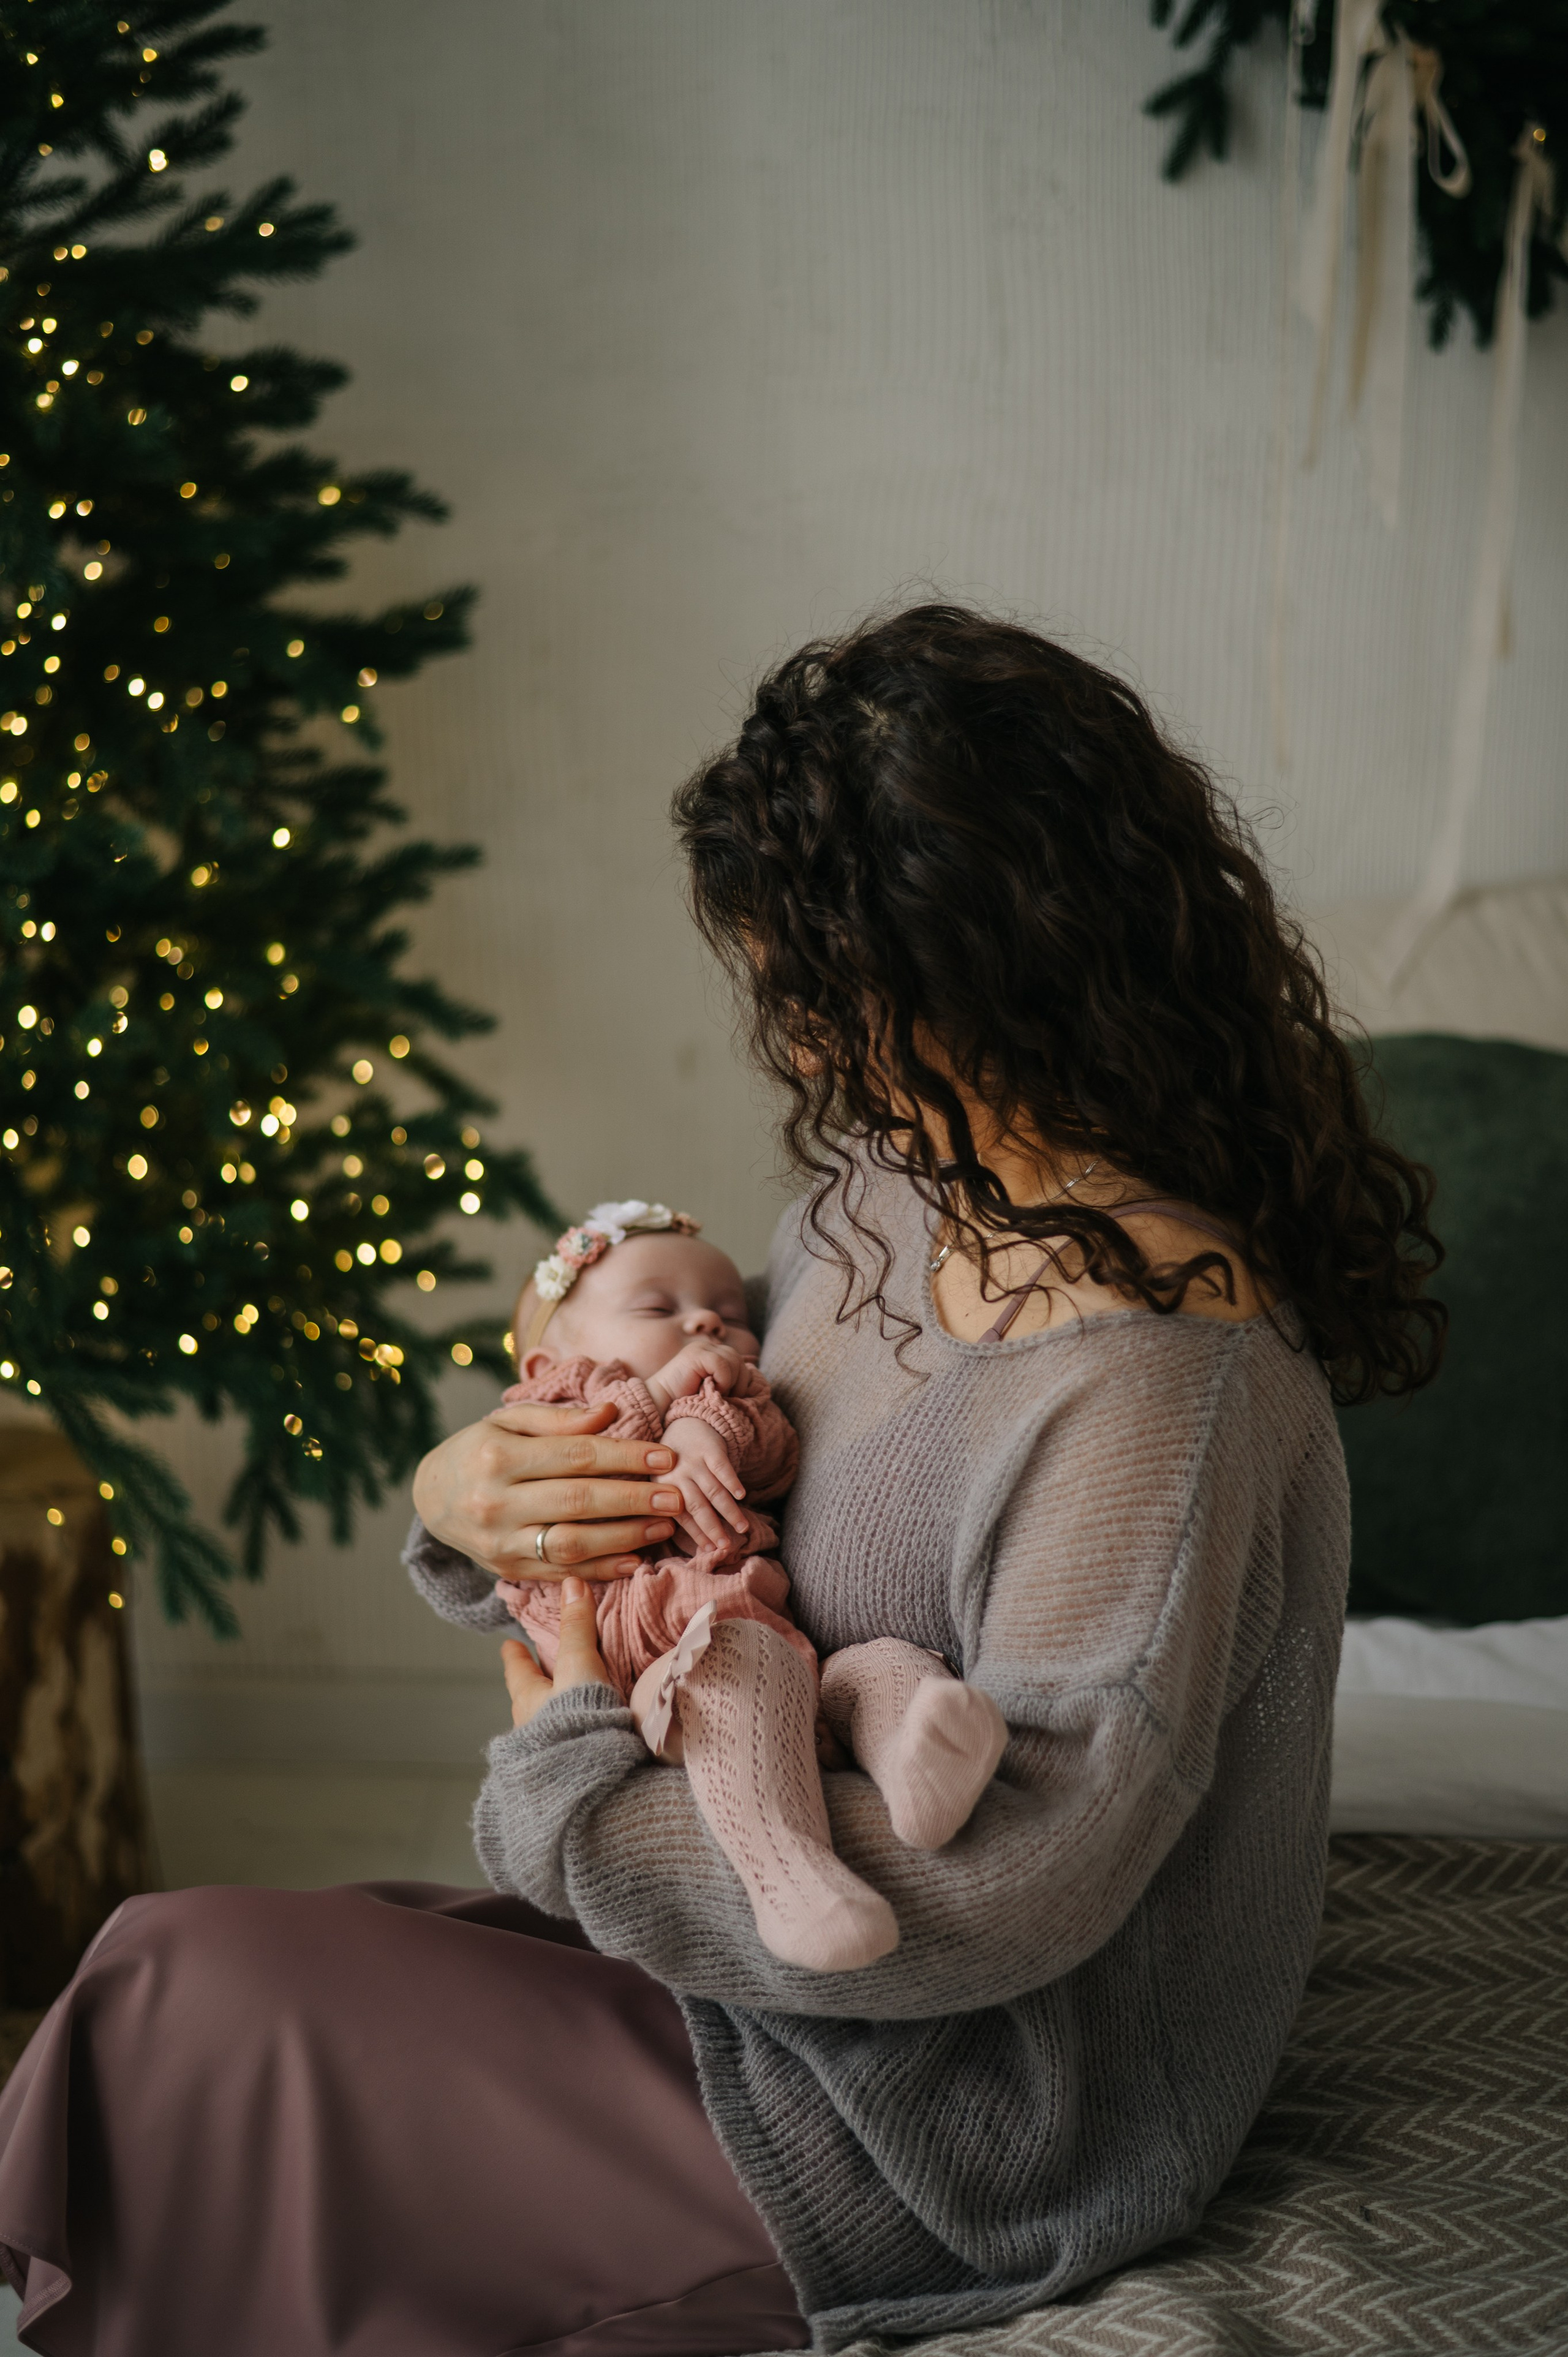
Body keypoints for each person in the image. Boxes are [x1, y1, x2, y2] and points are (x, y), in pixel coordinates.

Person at [0, 605, 1443, 2356]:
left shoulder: (1155, 1387)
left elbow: (1015, 1890)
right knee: (171, 1969)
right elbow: (711, 1411)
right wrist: (465, 1494)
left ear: (981, 968)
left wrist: (567, 1801)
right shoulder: (899, 1188)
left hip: (946, 2109)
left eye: (821, 993)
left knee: (190, 2014)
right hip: (753, 1943)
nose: (802, 1045)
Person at [491, 1195, 1009, 1972]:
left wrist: (704, 1421)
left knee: (873, 1667)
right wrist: (657, 1401)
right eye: (658, 1307)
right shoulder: (538, 1420)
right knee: (731, 1668)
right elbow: (565, 1465)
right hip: (652, 1690)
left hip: (789, 1659)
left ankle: (923, 1757)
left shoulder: (728, 1396)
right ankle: (796, 1888)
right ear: (545, 1364)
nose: (706, 1321)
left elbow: (772, 1450)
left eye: (730, 1313)